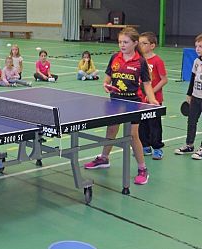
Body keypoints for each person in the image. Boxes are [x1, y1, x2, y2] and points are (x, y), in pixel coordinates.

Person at [84, 27, 159, 185]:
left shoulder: (140, 62)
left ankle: (142, 168)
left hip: (133, 103)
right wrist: (106, 85)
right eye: (120, 42)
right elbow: (108, 78)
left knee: (132, 135)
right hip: (115, 101)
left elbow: (147, 83)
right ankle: (104, 158)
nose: (122, 45)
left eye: (125, 42)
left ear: (135, 43)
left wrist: (152, 100)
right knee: (111, 130)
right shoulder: (114, 58)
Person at [137, 32, 167, 160]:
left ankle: (157, 148)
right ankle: (145, 146)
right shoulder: (139, 60)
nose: (141, 45)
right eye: (140, 43)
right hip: (141, 99)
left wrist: (152, 93)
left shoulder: (157, 61)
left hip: (154, 100)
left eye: (144, 43)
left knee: (154, 125)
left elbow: (164, 79)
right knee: (141, 124)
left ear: (152, 45)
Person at [175, 33, 202, 160]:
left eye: (201, 46)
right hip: (196, 97)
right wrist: (189, 94)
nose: (197, 49)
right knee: (191, 121)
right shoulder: (196, 61)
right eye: (196, 46)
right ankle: (189, 144)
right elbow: (192, 78)